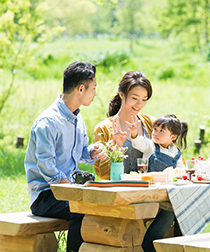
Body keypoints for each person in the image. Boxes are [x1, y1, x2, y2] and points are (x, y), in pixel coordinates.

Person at [24, 61, 107, 252]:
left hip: (70, 192)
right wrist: (71, 189)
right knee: (82, 209)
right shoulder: (48, 122)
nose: (95, 93)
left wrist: (91, 152)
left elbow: (80, 151)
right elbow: (46, 166)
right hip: (45, 196)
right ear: (80, 88)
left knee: (102, 206)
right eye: (93, 88)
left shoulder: (77, 119)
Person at [127, 114, 188, 252]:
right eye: (155, 129)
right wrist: (134, 133)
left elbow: (181, 171)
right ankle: (149, 245)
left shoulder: (176, 152)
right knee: (169, 212)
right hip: (152, 191)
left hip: (168, 192)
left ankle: (183, 245)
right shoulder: (151, 146)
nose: (156, 133)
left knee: (181, 209)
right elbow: (139, 143)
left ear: (173, 137)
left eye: (162, 131)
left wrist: (177, 174)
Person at [93, 70, 155, 179]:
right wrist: (117, 147)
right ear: (122, 95)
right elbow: (102, 173)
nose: (139, 104)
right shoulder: (103, 129)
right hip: (118, 191)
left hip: (149, 191)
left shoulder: (151, 123)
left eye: (144, 99)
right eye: (134, 98)